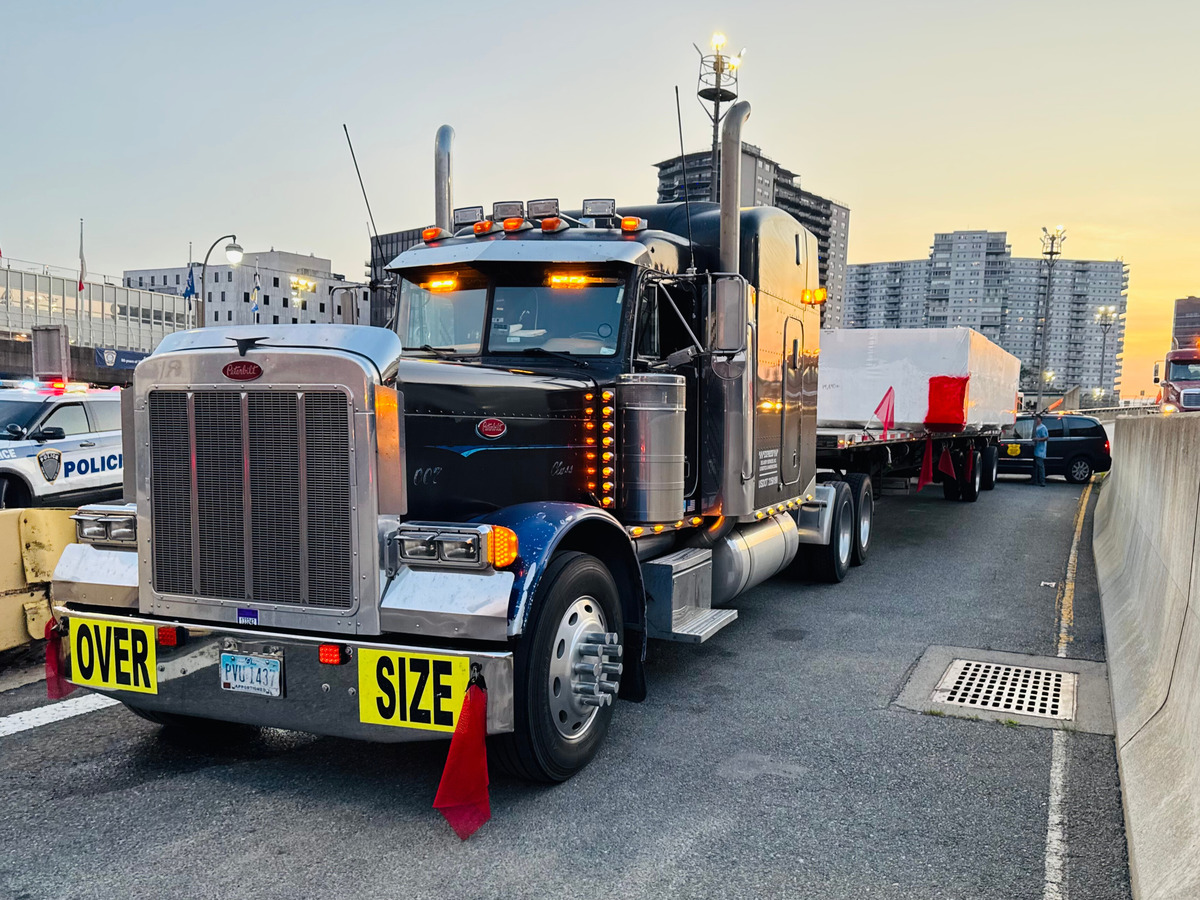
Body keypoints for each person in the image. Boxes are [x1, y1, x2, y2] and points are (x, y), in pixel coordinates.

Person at [1031, 414, 1049, 486]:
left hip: (1040, 450)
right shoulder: (1035, 427)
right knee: (1035, 466)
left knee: (1040, 466)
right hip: (1035, 448)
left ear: (1040, 420)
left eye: (1038, 420)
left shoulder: (1043, 428)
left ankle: (1042, 481)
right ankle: (1034, 480)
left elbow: (1046, 438)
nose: (1037, 421)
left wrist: (1037, 439)